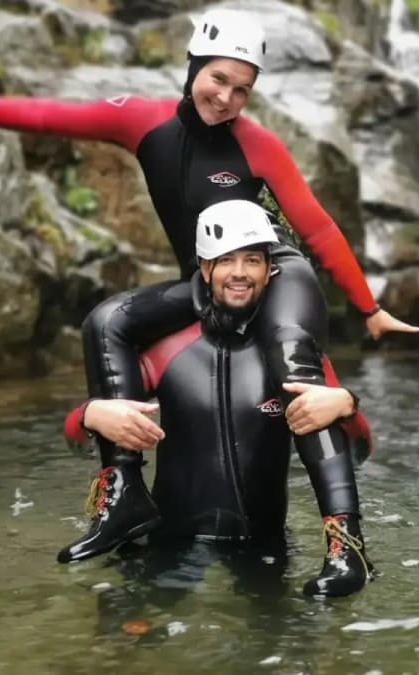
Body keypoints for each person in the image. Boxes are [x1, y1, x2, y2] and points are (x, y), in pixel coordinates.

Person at [0, 8, 419, 560]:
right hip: (206, 280)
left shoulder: (257, 143)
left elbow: (316, 226)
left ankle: (346, 546)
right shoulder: (141, 121)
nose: (226, 98)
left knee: (294, 360)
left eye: (242, 90)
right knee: (106, 321)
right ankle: (123, 492)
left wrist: (366, 308)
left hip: (279, 270)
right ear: (194, 63)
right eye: (218, 78)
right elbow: (47, 114)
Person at [63, 199, 375, 597]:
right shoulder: (166, 350)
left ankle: (345, 555)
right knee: (127, 649)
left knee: (282, 651)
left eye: (252, 261)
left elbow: (361, 449)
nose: (240, 273)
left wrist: (347, 403)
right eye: (226, 261)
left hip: (264, 544)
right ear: (205, 270)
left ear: (270, 271)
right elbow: (74, 440)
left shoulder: (295, 360)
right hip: (166, 541)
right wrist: (90, 415)